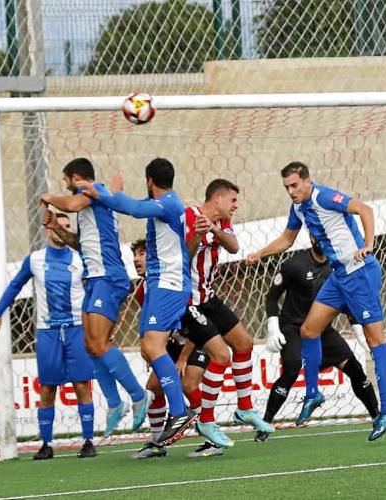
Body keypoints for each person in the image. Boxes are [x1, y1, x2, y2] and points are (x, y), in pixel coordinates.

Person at [246, 161, 386, 441]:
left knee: (375, 340)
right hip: (338, 275)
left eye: (294, 185)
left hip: (359, 272)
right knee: (309, 330)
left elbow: (365, 209)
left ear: (307, 181)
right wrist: (260, 254)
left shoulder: (324, 197)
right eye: (286, 187)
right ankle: (314, 393)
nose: (291, 191)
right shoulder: (298, 208)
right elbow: (287, 239)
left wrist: (368, 244)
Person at [78, 158, 196, 446]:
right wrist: (106, 196)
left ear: (149, 181)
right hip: (159, 284)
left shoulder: (168, 204)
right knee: (148, 348)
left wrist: (113, 193)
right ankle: (174, 413)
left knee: (153, 346)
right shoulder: (163, 203)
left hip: (169, 283)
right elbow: (132, 206)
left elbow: (132, 208)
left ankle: (180, 411)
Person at [258, 237, 386, 441]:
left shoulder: (337, 267)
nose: (321, 238)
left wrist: (359, 333)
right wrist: (273, 328)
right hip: (293, 329)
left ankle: (378, 417)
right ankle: (264, 424)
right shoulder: (294, 264)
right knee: (291, 369)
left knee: (355, 369)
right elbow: (272, 296)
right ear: (311, 236)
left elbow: (348, 303)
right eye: (316, 235)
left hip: (324, 331)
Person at [41, 158, 149, 437]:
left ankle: (139, 395)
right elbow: (81, 244)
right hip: (94, 278)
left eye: (66, 180)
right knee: (90, 346)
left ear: (76, 177)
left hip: (108, 277)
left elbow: (71, 204)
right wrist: (57, 228)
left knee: (99, 343)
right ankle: (115, 404)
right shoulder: (92, 204)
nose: (66, 185)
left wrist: (50, 198)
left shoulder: (93, 190)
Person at [0, 213, 96, 459]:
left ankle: (89, 441)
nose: (63, 230)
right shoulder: (35, 259)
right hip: (48, 331)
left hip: (77, 329)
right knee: (47, 388)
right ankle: (46, 444)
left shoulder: (80, 259)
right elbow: (15, 285)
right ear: (48, 231)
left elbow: (94, 290)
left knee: (81, 385)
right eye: (58, 226)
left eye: (67, 226)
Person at [183, 179, 273, 449]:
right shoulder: (188, 216)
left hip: (208, 298)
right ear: (217, 198)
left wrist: (213, 228)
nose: (236, 206)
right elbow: (182, 257)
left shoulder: (221, 222)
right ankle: (206, 420)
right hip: (187, 301)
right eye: (232, 200)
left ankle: (244, 408)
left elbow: (233, 246)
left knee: (244, 343)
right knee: (221, 356)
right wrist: (198, 234)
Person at [127, 239, 217, 459]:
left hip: (196, 340)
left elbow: (195, 326)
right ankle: (158, 442)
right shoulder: (142, 290)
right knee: (153, 388)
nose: (137, 259)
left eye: (142, 254)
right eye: (135, 255)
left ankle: (213, 440)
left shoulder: (173, 283)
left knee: (188, 384)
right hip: (172, 344)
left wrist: (183, 359)